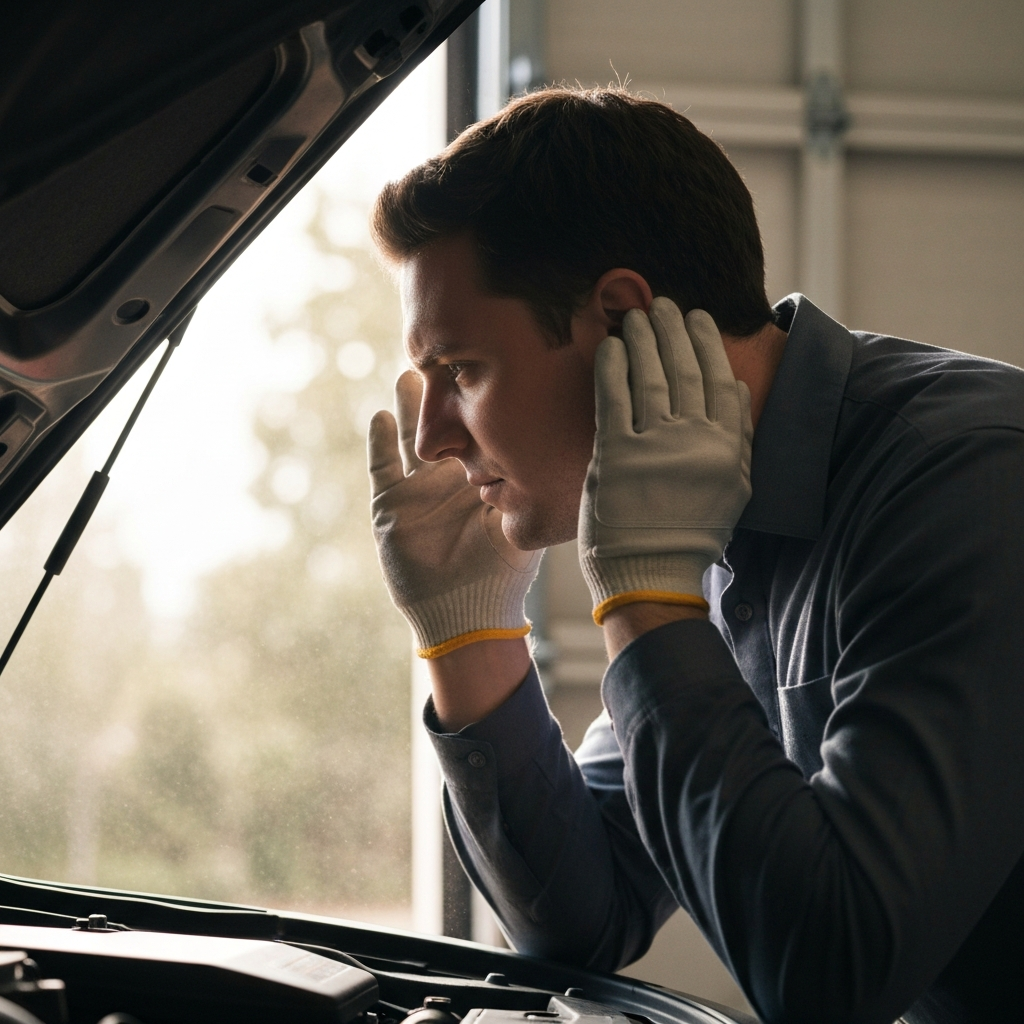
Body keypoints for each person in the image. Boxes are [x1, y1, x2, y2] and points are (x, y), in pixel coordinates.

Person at [365, 87, 1024, 1024]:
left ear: (624, 318)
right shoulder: (703, 513)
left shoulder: (973, 481)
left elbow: (831, 977)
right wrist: (468, 639)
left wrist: (649, 599)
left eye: (462, 370)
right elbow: (585, 922)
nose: (432, 438)